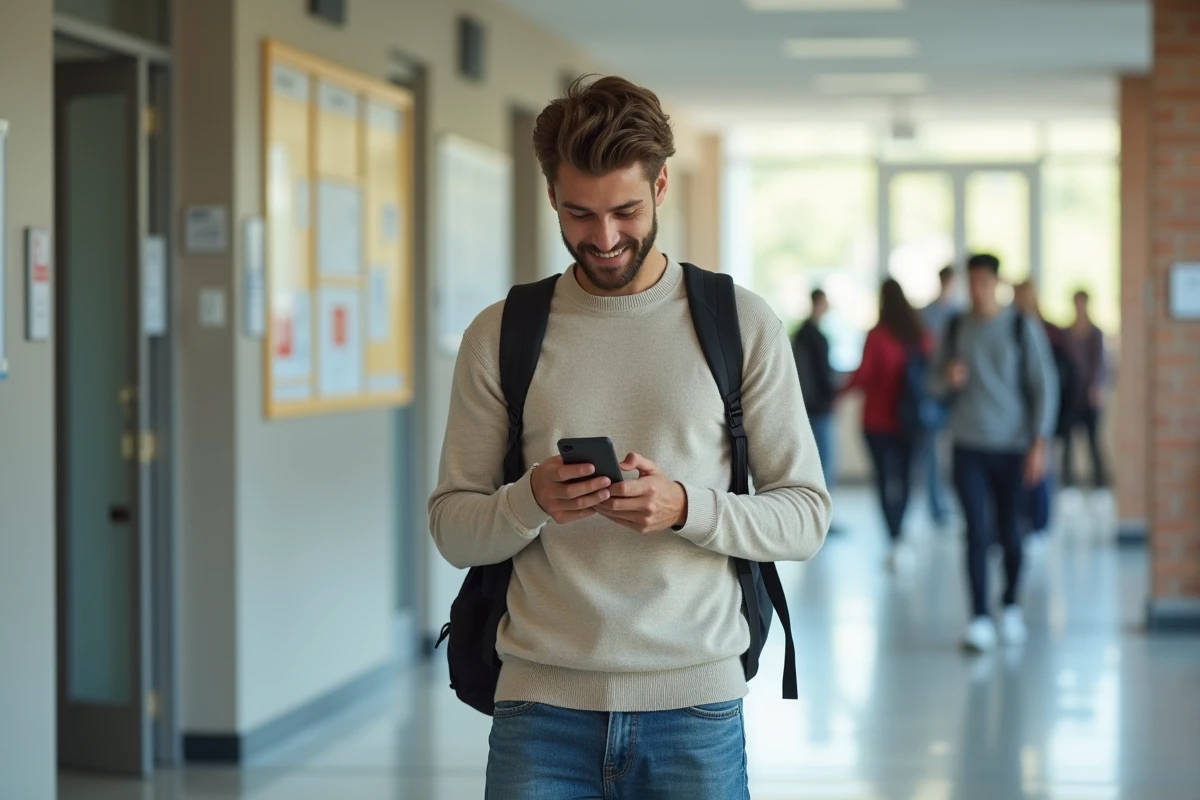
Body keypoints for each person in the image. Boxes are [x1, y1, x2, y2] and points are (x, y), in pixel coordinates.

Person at [428, 75, 832, 799]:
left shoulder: (741, 323)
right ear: (551, 194)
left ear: (662, 185)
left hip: (696, 709)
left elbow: (805, 516)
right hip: (538, 711)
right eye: (580, 213)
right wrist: (530, 501)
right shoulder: (503, 333)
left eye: (625, 210)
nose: (604, 239)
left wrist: (686, 507)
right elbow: (455, 531)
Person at [933, 254, 1058, 653]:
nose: (977, 289)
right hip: (968, 444)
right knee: (975, 532)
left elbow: (1044, 386)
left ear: (997, 283)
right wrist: (946, 379)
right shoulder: (955, 328)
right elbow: (932, 384)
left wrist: (1040, 443)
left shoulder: (1021, 326)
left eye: (984, 282)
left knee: (1011, 533)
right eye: (972, 282)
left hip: (1013, 447)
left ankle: (1009, 604)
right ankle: (980, 617)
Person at [840, 279, 932, 571]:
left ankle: (893, 536)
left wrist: (836, 393)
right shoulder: (920, 335)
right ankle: (899, 533)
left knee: (884, 480)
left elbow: (863, 375)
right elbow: (933, 375)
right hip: (913, 421)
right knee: (905, 478)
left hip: (877, 422)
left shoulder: (877, 336)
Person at [918, 266, 963, 525]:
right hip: (933, 390)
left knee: (958, 451)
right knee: (933, 451)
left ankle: (956, 502)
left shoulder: (960, 315)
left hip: (957, 393)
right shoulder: (927, 314)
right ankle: (936, 505)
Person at [1063, 290, 1109, 489]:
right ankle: (1068, 481)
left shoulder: (1095, 333)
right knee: (1068, 442)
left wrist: (1096, 387)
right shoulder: (1067, 333)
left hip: (1090, 396)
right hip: (1072, 396)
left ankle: (1099, 482)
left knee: (1093, 441)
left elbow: (1100, 364)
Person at [793, 289, 836, 487]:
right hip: (818, 405)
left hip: (804, 403)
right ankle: (823, 510)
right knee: (825, 461)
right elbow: (822, 374)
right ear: (818, 303)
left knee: (810, 460)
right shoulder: (816, 337)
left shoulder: (800, 333)